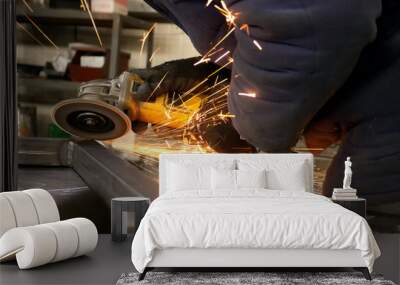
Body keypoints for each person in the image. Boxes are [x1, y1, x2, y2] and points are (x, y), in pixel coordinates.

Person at [132, 0, 400, 226]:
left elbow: (311, 22)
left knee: (361, 235)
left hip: (388, 115)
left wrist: (249, 125)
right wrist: (223, 79)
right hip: (377, 89)